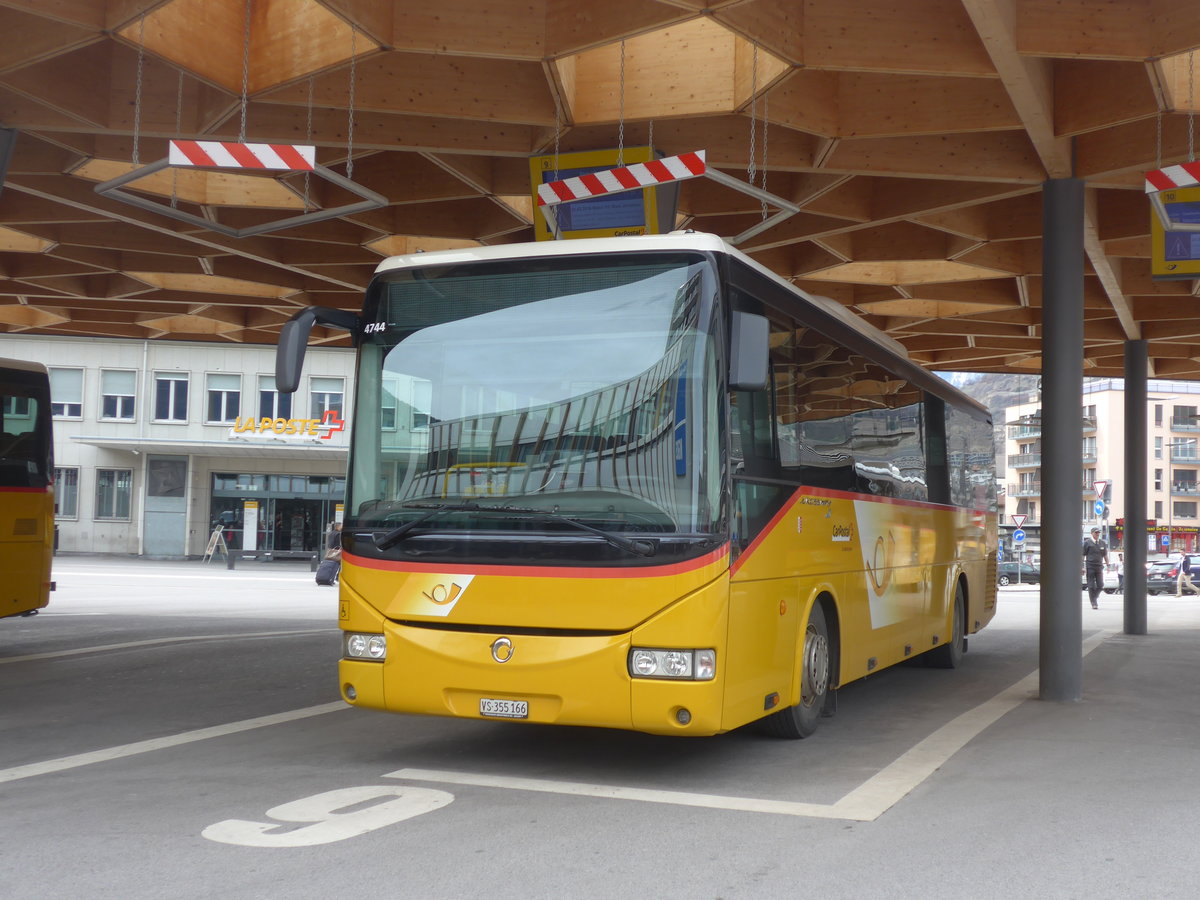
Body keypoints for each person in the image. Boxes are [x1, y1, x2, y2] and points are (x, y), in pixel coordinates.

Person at [1083, 526, 1107, 609]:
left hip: (1099, 566)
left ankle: (1094, 597)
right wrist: (1082, 567)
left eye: (1098, 532)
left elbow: (1105, 554)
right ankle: (1094, 603)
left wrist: (1108, 564)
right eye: (1096, 532)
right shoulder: (1087, 542)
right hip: (1090, 566)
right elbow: (1082, 555)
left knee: (1100, 585)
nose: (1097, 534)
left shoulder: (1102, 543)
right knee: (1091, 586)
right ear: (1092, 533)